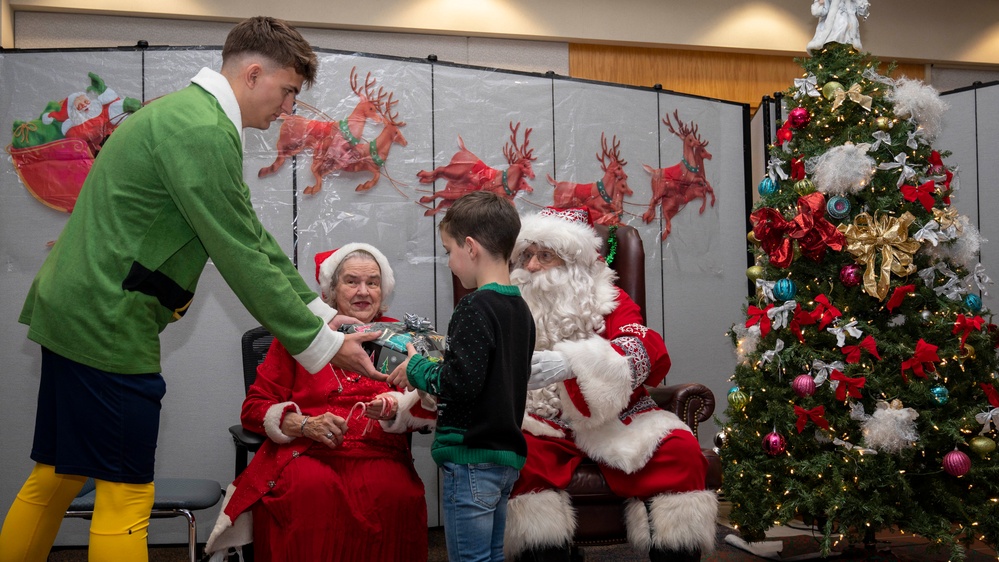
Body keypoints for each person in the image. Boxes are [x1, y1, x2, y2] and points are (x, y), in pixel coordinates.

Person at [0, 16, 385, 562]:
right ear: (254, 73)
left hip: (79, 311)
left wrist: (319, 313)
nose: (288, 110)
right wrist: (322, 346)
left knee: (57, 478)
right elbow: (236, 252)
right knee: (126, 490)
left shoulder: (186, 115)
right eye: (288, 92)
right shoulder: (203, 129)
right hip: (107, 322)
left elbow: (247, 232)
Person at [504, 207, 718, 562]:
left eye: (544, 256)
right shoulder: (508, 303)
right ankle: (549, 555)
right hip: (540, 422)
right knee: (518, 461)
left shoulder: (609, 300)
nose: (530, 267)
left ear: (574, 263)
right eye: (526, 255)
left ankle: (672, 554)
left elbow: (647, 348)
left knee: (680, 450)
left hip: (614, 418)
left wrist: (575, 363)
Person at [204, 244, 434, 561]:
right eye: (352, 281)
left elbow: (429, 404)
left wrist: (398, 408)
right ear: (329, 291)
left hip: (380, 452)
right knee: (308, 490)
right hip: (308, 450)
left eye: (373, 282)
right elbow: (254, 409)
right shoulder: (302, 338)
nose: (363, 292)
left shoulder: (403, 337)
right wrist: (303, 424)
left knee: (394, 494)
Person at [387, 190, 536, 562]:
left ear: (471, 248)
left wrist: (417, 367)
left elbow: (461, 382)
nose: (449, 262)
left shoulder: (474, 306)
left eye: (448, 250)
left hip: (471, 458)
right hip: (505, 460)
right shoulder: (520, 309)